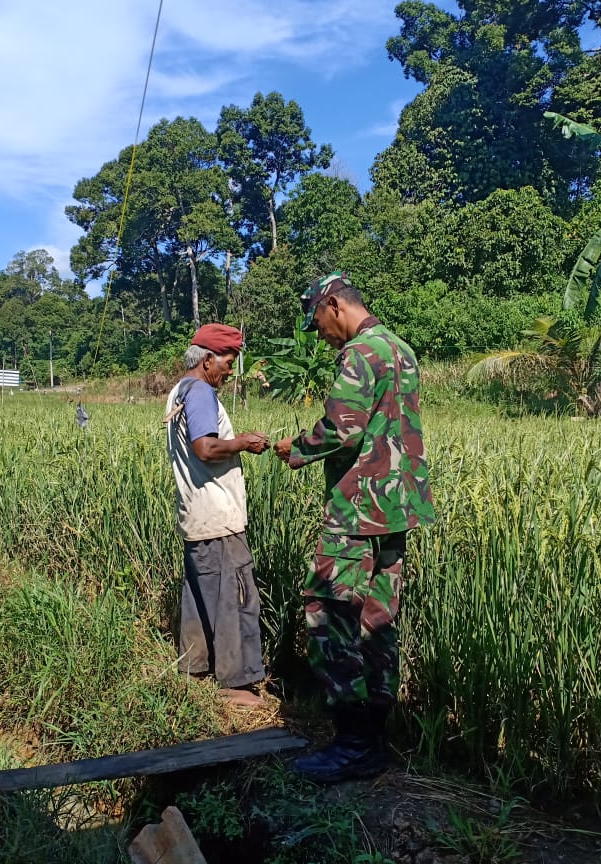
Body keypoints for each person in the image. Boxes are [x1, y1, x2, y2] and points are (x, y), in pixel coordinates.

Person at [273, 272, 435, 782]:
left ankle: (352, 744)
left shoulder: (360, 353)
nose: (319, 333)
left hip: (359, 509)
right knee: (378, 620)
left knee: (328, 614)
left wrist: (294, 449)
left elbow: (345, 427)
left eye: (317, 321)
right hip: (397, 508)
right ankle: (375, 740)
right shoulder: (400, 347)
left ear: (335, 305)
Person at [166, 323, 271, 706]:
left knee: (202, 593)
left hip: (197, 515)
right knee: (236, 596)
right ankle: (235, 685)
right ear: (208, 360)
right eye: (228, 362)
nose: (230, 371)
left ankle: (195, 670)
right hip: (218, 515)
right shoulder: (200, 393)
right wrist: (243, 441)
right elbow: (205, 448)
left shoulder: (181, 391)